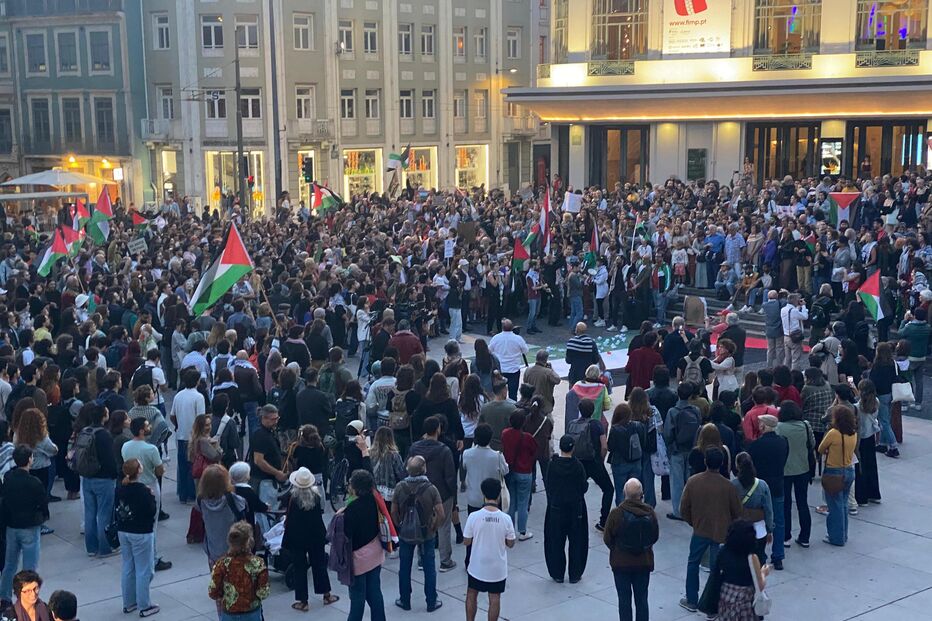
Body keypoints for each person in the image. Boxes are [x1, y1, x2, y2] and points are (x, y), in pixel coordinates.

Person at [678, 447, 742, 613]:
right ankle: (713, 605)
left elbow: (683, 508)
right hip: (720, 532)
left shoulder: (693, 481)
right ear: (721, 464)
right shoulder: (728, 486)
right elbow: (737, 512)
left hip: (700, 530)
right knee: (716, 570)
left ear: (705, 461)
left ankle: (692, 600)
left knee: (693, 563)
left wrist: (694, 522)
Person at [390, 455, 444, 612]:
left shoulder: (400, 487)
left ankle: (405, 600)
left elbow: (393, 510)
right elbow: (440, 513)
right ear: (424, 468)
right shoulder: (431, 489)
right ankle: (431, 601)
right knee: (429, 567)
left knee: (404, 567)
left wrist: (400, 524)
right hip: (426, 533)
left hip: (406, 533)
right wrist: (433, 527)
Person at [280, 467, 338, 611]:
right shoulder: (317, 497)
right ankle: (326, 594)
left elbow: (290, 519)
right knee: (319, 565)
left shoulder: (292, 499)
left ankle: (303, 601)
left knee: (299, 568)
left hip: (297, 538)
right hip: (315, 536)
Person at [604, 478, 659, 621]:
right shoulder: (650, 513)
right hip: (643, 563)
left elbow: (607, 538)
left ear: (624, 493)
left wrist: (617, 549)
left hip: (621, 564)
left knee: (624, 601)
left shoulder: (616, 513)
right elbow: (654, 536)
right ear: (641, 494)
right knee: (642, 599)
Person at [408, 416, 457, 572]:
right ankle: (445, 560)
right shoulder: (444, 450)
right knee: (444, 526)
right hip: (442, 493)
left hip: (420, 491)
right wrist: (452, 493)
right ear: (438, 429)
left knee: (423, 524)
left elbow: (407, 467)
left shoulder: (414, 448)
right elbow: (450, 476)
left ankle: (422, 559)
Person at [0, 446, 48, 604]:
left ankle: (5, 597)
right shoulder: (34, 482)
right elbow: (42, 503)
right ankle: (27, 599)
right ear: (29, 460)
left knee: (9, 564)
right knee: (30, 567)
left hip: (12, 526)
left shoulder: (8, 478)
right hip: (29, 526)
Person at [463, 477, 516, 621]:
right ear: (499, 495)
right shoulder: (506, 519)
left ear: (483, 494)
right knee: (495, 598)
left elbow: (466, 541)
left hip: (477, 566)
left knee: (472, 594)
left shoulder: (474, 517)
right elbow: (511, 543)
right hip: (497, 569)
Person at [115, 458, 159, 617]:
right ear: (139, 471)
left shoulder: (120, 489)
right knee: (143, 569)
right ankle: (144, 604)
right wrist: (152, 497)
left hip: (123, 530)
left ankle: (129, 602)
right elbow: (152, 510)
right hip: (141, 532)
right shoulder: (143, 491)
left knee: (128, 566)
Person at [342, 469, 387, 621]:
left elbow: (347, 536)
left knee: (357, 599)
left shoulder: (351, 510)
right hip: (375, 553)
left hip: (359, 559)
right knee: (375, 593)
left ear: (355, 487)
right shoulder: (374, 500)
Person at [544, 434, 589, 584]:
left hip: (556, 508)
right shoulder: (578, 466)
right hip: (575, 509)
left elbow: (548, 484)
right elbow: (584, 486)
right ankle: (575, 573)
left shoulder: (553, 465)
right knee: (577, 541)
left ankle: (557, 572)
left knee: (555, 540)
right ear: (573, 448)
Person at [747, 413, 788, 569]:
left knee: (758, 520)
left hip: (760, 486)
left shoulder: (756, 445)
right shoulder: (783, 443)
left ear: (763, 426)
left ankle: (759, 554)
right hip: (778, 484)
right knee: (779, 520)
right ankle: (778, 556)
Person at [78, 403, 119, 558]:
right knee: (104, 514)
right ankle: (105, 547)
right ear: (103, 416)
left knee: (90, 513)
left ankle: (91, 547)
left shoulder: (85, 431)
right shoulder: (104, 435)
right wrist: (115, 475)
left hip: (87, 477)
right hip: (103, 479)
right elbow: (109, 459)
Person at [208, 521, 270, 621]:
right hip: (251, 612)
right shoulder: (258, 563)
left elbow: (213, 591)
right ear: (249, 541)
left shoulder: (221, 564)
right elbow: (263, 592)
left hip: (229, 613)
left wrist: (225, 597)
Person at [710, 520, 771, 620]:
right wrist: (764, 573)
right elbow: (760, 585)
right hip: (744, 600)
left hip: (726, 596)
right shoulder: (752, 558)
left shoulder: (723, 552)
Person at [776, 400, 815, 548]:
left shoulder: (779, 428)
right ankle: (805, 536)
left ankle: (786, 536)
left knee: (785, 505)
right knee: (802, 503)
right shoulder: (805, 425)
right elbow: (812, 444)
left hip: (785, 470)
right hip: (803, 468)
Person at [818, 405, 858, 546]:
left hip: (834, 472)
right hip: (849, 470)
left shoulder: (833, 433)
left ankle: (836, 537)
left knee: (834, 506)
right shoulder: (853, 433)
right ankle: (843, 534)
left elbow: (821, 448)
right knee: (843, 504)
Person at [663, 382, 701, 521]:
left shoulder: (673, 411)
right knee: (690, 479)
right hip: (691, 449)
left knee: (677, 481)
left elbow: (667, 433)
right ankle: (691, 507)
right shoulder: (695, 410)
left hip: (677, 450)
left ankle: (678, 511)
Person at [197, 464, 248, 568]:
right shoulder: (233, 500)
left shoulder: (201, 501)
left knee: (217, 578)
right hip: (234, 549)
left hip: (213, 550)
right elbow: (244, 508)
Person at [731, 452, 773, 565]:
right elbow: (768, 510)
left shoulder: (733, 485)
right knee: (759, 561)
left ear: (737, 466)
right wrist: (769, 530)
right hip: (759, 531)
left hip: (739, 530)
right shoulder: (762, 485)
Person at [170, 369, 205, 504]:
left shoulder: (178, 396)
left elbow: (172, 415)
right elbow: (200, 418)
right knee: (194, 466)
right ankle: (192, 493)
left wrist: (178, 425)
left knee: (182, 465)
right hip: (194, 436)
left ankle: (182, 493)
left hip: (181, 435)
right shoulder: (198, 397)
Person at [501, 410, 537, 541]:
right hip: (525, 472)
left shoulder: (505, 434)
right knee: (523, 503)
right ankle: (522, 531)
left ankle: (509, 531)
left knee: (511, 502)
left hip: (511, 471)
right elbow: (534, 452)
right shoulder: (527, 437)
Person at [248, 405, 286, 509]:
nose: (276, 422)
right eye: (273, 419)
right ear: (264, 418)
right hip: (262, 481)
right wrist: (277, 473)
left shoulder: (269, 433)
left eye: (277, 418)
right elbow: (259, 460)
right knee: (267, 513)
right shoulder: (261, 435)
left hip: (268, 481)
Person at [607, 404, 646, 504]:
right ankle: (635, 511)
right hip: (636, 462)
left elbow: (610, 447)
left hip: (619, 463)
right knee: (635, 491)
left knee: (620, 492)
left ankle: (622, 514)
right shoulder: (638, 426)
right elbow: (643, 442)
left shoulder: (615, 429)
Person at [869, 342, 900, 458]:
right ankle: (882, 443)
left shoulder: (877, 365)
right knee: (885, 419)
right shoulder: (892, 363)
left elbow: (872, 380)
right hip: (890, 393)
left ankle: (893, 446)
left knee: (884, 421)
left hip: (880, 394)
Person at [854, 379, 882, 506]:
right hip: (871, 436)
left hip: (860, 438)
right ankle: (874, 493)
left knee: (860, 468)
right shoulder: (876, 402)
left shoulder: (857, 407)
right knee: (871, 466)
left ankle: (861, 497)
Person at [487, 320, 529, 400]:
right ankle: (512, 410)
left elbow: (489, 350)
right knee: (513, 394)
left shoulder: (496, 338)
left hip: (500, 370)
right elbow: (526, 351)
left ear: (502, 328)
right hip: (513, 369)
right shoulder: (518, 339)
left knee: (499, 393)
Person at [478, 377, 516, 451]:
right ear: (503, 391)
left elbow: (480, 426)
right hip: (506, 446)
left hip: (489, 445)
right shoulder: (511, 408)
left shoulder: (485, 408)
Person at [522, 350, 561, 416]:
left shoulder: (528, 370)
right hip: (544, 405)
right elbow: (557, 380)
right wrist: (551, 369)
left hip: (530, 403)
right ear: (546, 359)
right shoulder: (548, 372)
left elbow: (525, 382)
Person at [780, 292, 809, 370]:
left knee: (787, 358)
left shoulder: (783, 309)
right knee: (795, 359)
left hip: (786, 335)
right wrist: (803, 306)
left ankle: (784, 372)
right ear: (795, 301)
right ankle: (794, 375)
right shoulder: (794, 311)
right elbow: (805, 316)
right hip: (794, 336)